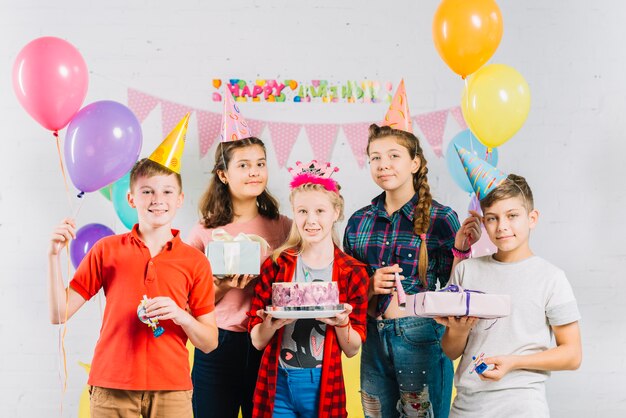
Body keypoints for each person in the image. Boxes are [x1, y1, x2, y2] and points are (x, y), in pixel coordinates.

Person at [47, 114, 218, 417]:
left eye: (167, 191)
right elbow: (59, 314)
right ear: (131, 198)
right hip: (112, 387)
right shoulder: (106, 250)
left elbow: (209, 342)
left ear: (179, 199)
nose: (157, 199)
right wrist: (52, 257)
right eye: (147, 191)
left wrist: (181, 315)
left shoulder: (195, 261)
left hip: (172, 391)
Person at [343, 82, 479, 417]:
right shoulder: (359, 221)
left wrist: (461, 251)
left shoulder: (441, 218)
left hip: (420, 338)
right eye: (376, 157)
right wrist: (368, 285)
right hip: (373, 339)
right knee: (376, 412)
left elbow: (455, 288)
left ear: (415, 163)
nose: (383, 164)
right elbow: (344, 285)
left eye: (393, 156)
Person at [436, 168, 582, 418]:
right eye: (492, 218)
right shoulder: (467, 271)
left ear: (532, 218)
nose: (502, 226)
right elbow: (450, 351)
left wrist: (514, 362)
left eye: (512, 215)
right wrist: (459, 331)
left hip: (523, 406)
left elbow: (572, 354)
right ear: (483, 222)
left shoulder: (551, 278)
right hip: (467, 407)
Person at [248, 160, 370, 418]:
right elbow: (258, 341)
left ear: (336, 212)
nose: (311, 220)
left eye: (320, 211)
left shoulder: (352, 272)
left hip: (323, 383)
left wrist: (341, 322)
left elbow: (351, 349)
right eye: (302, 211)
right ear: (293, 212)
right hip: (277, 380)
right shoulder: (276, 264)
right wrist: (272, 323)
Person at [187, 136, 291, 418]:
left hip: (271, 342)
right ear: (223, 174)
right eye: (243, 165)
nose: (254, 171)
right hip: (217, 343)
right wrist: (221, 285)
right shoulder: (203, 232)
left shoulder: (284, 228)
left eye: (260, 164)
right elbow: (189, 305)